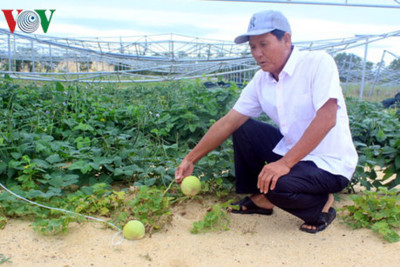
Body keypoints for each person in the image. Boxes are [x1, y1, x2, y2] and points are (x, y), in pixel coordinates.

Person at [175, 10, 358, 233]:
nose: (258, 53)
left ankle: (321, 206)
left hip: (329, 164)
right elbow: (229, 122)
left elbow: (327, 118)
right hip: (294, 154)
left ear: (286, 39)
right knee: (244, 127)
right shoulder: (262, 79)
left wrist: (284, 164)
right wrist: (191, 158)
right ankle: (262, 200)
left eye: (264, 44)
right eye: (253, 47)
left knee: (276, 184)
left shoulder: (318, 63)